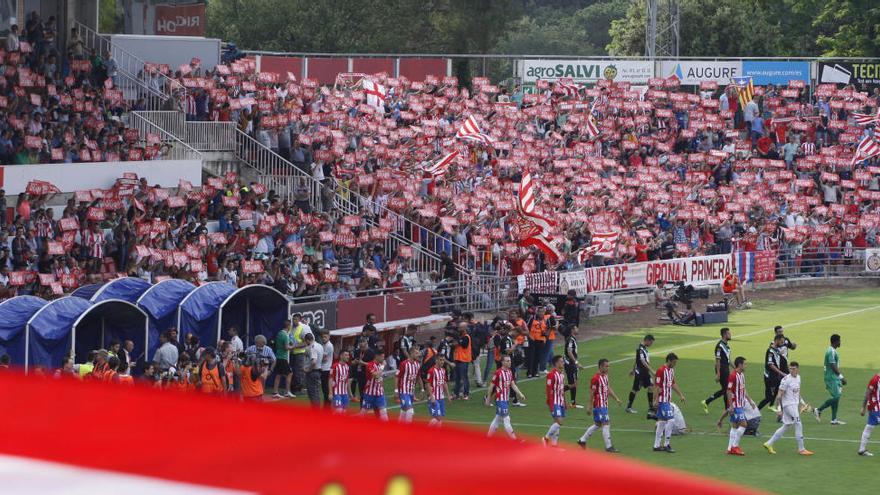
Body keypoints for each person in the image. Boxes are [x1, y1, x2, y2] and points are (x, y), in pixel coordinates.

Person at [763, 361, 814, 456]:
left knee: (787, 425)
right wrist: (778, 409)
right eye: (790, 368)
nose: (791, 370)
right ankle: (801, 449)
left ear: (797, 369)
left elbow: (797, 392)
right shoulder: (786, 380)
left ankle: (769, 443)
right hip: (788, 405)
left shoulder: (798, 378)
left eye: (793, 369)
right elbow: (779, 395)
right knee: (798, 423)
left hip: (794, 405)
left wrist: (802, 403)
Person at [578, 358, 622, 452]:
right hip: (599, 405)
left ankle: (582, 440)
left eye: (608, 366)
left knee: (598, 424)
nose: (608, 368)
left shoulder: (605, 376)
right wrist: (589, 406)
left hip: (604, 404)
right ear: (601, 366)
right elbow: (591, 393)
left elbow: (608, 389)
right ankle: (609, 446)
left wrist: (616, 398)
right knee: (606, 424)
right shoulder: (595, 378)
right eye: (606, 366)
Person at [485, 355, 526, 439]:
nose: (509, 362)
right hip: (500, 399)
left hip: (506, 399)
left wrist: (520, 394)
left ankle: (488, 437)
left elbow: (513, 385)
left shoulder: (510, 372)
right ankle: (514, 440)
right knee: (506, 419)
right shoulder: (498, 373)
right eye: (507, 361)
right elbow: (491, 386)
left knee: (498, 418)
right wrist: (488, 399)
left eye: (510, 361)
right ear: (502, 362)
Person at [653, 353, 686, 453]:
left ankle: (656, 445)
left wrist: (681, 394)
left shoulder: (671, 371)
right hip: (662, 401)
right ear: (669, 361)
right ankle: (667, 444)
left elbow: (673, 383)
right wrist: (655, 400)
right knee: (671, 420)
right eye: (674, 362)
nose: (675, 364)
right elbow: (657, 386)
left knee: (662, 422)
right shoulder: (661, 370)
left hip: (667, 400)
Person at [725, 356, 756, 456]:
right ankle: (735, 446)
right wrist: (731, 406)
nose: (746, 365)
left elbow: (743, 390)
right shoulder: (733, 376)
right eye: (745, 364)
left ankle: (729, 448)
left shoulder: (742, 375)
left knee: (734, 426)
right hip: (736, 405)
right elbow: (728, 391)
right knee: (744, 424)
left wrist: (750, 401)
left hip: (740, 404)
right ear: (740, 364)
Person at [815, 334, 846, 425]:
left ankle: (834, 419)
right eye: (839, 340)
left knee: (835, 397)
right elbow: (833, 366)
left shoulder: (833, 351)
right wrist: (841, 377)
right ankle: (818, 410)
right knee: (836, 397)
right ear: (835, 342)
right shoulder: (831, 351)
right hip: (831, 377)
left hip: (834, 377)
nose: (840, 342)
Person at [702, 328, 732, 414]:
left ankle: (707, 401)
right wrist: (718, 373)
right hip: (721, 368)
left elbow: (728, 359)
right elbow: (717, 360)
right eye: (729, 334)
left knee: (725, 389)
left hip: (725, 368)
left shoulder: (727, 346)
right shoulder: (719, 346)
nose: (730, 335)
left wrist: (736, 368)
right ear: (724, 335)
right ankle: (727, 408)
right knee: (726, 389)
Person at [626, 335, 655, 417]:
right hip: (641, 373)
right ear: (647, 340)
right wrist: (651, 370)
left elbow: (636, 360)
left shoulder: (644, 348)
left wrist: (632, 369)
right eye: (651, 342)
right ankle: (628, 407)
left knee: (651, 387)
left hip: (645, 372)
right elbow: (642, 361)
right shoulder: (640, 349)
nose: (651, 344)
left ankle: (651, 407)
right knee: (635, 389)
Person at [542, 355, 568, 447]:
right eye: (561, 361)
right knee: (559, 422)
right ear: (556, 363)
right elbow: (549, 391)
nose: (563, 363)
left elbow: (562, 390)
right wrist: (551, 405)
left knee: (556, 423)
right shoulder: (551, 375)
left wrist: (565, 402)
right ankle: (546, 438)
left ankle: (554, 445)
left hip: (560, 402)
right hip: (554, 402)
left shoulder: (562, 375)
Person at [757, 334, 786, 411]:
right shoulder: (770, 351)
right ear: (777, 340)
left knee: (780, 389)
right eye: (781, 342)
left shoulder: (776, 350)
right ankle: (756, 410)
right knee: (769, 397)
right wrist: (781, 373)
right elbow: (770, 365)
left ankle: (772, 405)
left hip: (775, 376)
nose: (782, 343)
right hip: (769, 377)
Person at [360, 349, 388, 420]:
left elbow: (380, 378)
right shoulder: (370, 365)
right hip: (369, 394)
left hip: (379, 394)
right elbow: (375, 375)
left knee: (383, 413)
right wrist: (382, 367)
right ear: (377, 356)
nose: (383, 359)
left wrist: (382, 388)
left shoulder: (379, 366)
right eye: (382, 357)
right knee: (363, 413)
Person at [397, 348, 423, 423]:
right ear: (411, 354)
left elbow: (418, 377)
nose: (419, 355)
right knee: (410, 411)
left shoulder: (417, 365)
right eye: (416, 353)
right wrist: (396, 390)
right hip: (404, 391)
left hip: (411, 392)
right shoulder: (404, 364)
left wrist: (422, 389)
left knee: (404, 410)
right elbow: (397, 377)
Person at [857, 371, 880, 456]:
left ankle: (861, 450)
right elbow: (867, 393)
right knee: (869, 427)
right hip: (874, 406)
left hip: (878, 406)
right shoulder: (875, 380)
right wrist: (863, 407)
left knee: (869, 426)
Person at [426, 353, 450, 427]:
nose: (442, 362)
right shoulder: (431, 371)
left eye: (443, 360)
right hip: (434, 398)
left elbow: (444, 383)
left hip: (441, 398)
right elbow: (427, 384)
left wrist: (448, 395)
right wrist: (432, 397)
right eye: (440, 360)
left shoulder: (443, 370)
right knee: (437, 418)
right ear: (436, 360)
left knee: (440, 418)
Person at [272, 320, 294, 399]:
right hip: (282, 357)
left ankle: (275, 392)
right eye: (290, 325)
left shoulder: (280, 333)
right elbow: (286, 347)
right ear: (288, 326)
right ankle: (287, 392)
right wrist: (293, 347)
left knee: (279, 375)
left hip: (279, 356)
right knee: (289, 373)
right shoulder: (285, 335)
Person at [563, 325, 584, 408]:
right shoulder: (570, 339)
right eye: (576, 328)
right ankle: (558, 392)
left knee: (573, 383)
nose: (577, 329)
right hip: (570, 364)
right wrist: (576, 362)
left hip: (570, 363)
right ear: (572, 330)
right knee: (574, 383)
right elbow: (569, 351)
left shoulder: (572, 339)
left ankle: (573, 402)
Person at [526, 306, 549, 378]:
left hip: (541, 340)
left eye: (543, 311)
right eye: (540, 311)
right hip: (532, 339)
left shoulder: (546, 319)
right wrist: (529, 337)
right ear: (537, 312)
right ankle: (529, 372)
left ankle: (535, 372)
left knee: (538, 357)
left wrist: (545, 336)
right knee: (531, 356)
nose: (541, 313)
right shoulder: (532, 318)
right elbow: (526, 328)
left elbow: (548, 328)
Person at [290, 314, 310, 395]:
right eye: (293, 319)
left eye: (296, 319)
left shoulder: (302, 329)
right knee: (293, 371)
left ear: (299, 320)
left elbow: (306, 342)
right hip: (292, 353)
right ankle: (294, 388)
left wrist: (295, 346)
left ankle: (300, 389)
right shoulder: (291, 328)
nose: (294, 321)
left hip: (300, 353)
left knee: (299, 372)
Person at [453, 322, 472, 400]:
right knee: (457, 378)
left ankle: (466, 394)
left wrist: (458, 341)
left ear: (464, 328)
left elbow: (464, 345)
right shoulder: (461, 337)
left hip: (464, 360)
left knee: (464, 378)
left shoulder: (466, 337)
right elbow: (455, 344)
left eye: (460, 328)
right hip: (458, 359)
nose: (459, 329)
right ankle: (456, 394)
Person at [304, 332, 324, 407]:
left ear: (307, 340)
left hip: (313, 372)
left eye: (306, 341)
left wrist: (308, 369)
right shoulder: (320, 346)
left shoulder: (313, 347)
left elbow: (313, 362)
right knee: (316, 392)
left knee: (313, 393)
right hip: (318, 371)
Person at [320, 332, 334, 406]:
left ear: (329, 337)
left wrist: (319, 358)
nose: (323, 338)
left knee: (326, 390)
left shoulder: (329, 345)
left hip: (327, 370)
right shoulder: (324, 345)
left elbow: (323, 358)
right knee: (324, 390)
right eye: (323, 337)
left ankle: (327, 407)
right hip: (324, 369)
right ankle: (326, 406)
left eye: (325, 337)